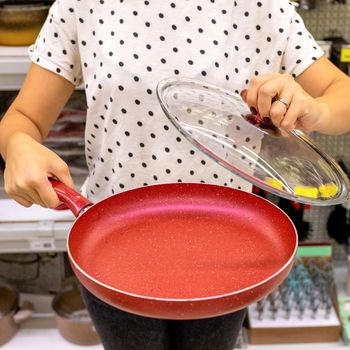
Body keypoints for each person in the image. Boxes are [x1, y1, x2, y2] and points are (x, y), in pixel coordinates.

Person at [1, 0, 350, 349]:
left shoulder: (264, 7)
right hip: (114, 245)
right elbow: (24, 117)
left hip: (227, 249)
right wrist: (17, 143)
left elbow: (343, 96)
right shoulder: (83, 5)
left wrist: (316, 109)